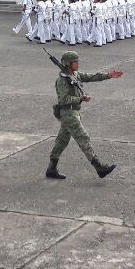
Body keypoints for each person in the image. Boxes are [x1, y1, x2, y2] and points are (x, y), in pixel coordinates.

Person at [46, 50, 124, 180]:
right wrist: (80, 99)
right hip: (68, 113)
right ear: (67, 64)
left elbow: (92, 76)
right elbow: (63, 100)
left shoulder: (75, 75)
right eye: (75, 62)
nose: (77, 63)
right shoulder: (62, 80)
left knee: (61, 141)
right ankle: (99, 168)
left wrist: (109, 75)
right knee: (83, 137)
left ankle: (51, 168)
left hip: (73, 112)